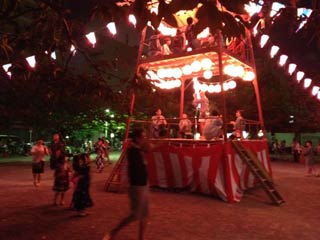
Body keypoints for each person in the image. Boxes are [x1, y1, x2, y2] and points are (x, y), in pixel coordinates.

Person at [103, 128, 150, 240]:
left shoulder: (140, 149)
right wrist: (124, 182)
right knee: (135, 215)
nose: (145, 139)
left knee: (145, 214)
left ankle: (141, 238)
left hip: (144, 184)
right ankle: (113, 232)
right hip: (136, 186)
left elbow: (151, 147)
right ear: (137, 138)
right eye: (143, 137)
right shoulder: (132, 151)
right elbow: (125, 167)